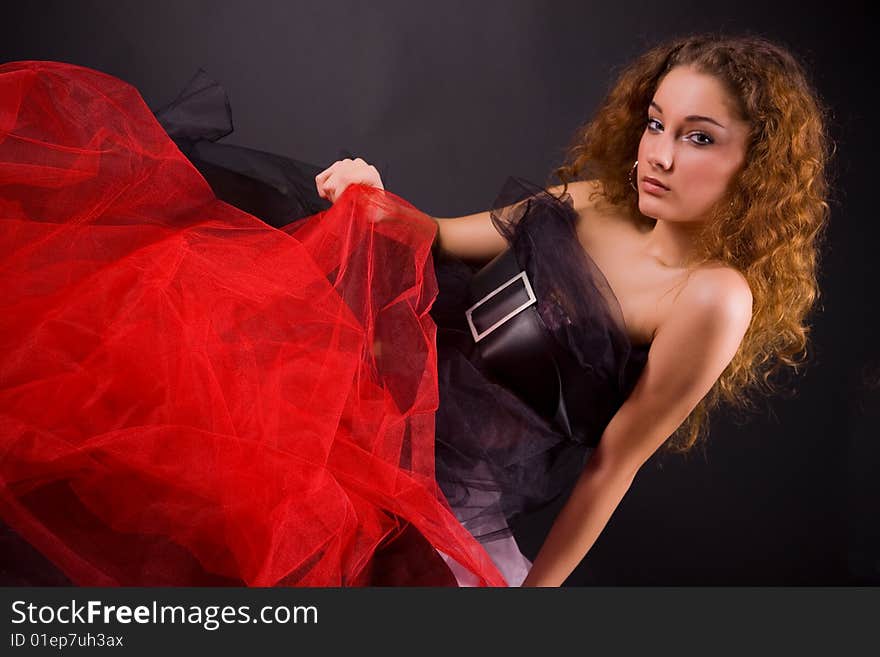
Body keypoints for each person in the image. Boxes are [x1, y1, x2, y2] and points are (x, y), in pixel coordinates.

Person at [0, 32, 831, 587]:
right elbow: (432, 234)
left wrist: (538, 601)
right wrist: (371, 193)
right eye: (657, 124)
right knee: (165, 298)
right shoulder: (597, 200)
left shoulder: (714, 296)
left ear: (757, 163)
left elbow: (616, 461)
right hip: (368, 423)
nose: (657, 153)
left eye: (698, 136)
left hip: (447, 505)